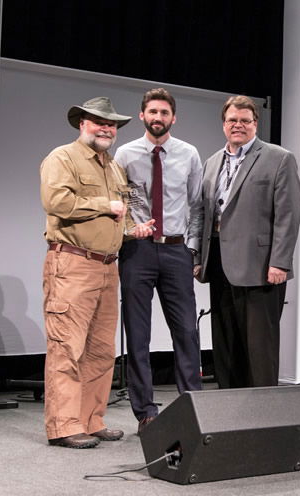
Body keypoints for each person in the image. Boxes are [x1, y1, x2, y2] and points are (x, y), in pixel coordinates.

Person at [39, 96, 153, 449]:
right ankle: (63, 425)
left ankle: (91, 419)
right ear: (81, 124)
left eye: (112, 124)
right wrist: (106, 204)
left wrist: (135, 228)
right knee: (67, 348)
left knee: (102, 351)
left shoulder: (114, 167)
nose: (107, 128)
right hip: (72, 264)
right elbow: (56, 202)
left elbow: (122, 215)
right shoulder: (63, 158)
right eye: (99, 122)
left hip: (107, 268)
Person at [192, 95, 300, 389]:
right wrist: (198, 259)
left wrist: (280, 261)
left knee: (259, 348)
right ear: (223, 124)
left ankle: (264, 414)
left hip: (261, 267)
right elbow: (203, 212)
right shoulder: (212, 162)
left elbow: (288, 216)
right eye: (232, 120)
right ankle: (231, 411)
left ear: (255, 124)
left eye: (245, 121)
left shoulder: (279, 158)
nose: (238, 125)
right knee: (227, 345)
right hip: (218, 265)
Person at [114, 88, 204, 433]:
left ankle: (191, 404)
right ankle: (146, 412)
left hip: (176, 250)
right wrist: (128, 231)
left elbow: (197, 206)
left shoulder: (188, 154)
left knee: (185, 330)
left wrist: (192, 250)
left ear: (173, 118)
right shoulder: (125, 154)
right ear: (142, 116)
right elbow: (117, 202)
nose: (158, 118)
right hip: (137, 251)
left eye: (164, 112)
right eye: (152, 111)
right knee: (138, 334)